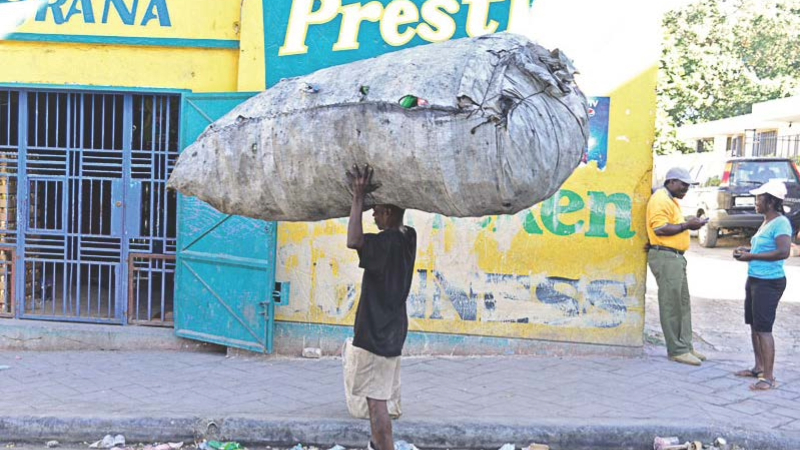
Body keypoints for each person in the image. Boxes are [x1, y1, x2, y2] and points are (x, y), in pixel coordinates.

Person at [345, 164, 417, 450]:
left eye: (375, 211)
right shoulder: (408, 236)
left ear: (387, 212)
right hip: (392, 330)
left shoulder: (387, 242)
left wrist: (358, 196)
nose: (372, 214)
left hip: (377, 334)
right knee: (377, 400)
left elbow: (353, 241)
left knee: (376, 405)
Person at [732, 179, 791, 391]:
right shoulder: (766, 222)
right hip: (756, 279)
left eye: (759, 198)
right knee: (754, 325)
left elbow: (784, 251)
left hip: (769, 282)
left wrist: (752, 255)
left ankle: (768, 377)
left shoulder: (781, 223)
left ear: (771, 201)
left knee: (764, 329)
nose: (756, 201)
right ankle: (758, 367)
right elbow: (764, 248)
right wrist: (745, 250)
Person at [646, 167, 709, 366]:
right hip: (666, 257)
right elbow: (660, 228)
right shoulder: (660, 200)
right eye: (683, 184)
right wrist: (686, 226)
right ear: (671, 182)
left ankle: (686, 346)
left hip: (675, 257)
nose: (686, 189)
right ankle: (677, 349)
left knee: (682, 303)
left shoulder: (670, 200)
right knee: (671, 304)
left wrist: (689, 223)